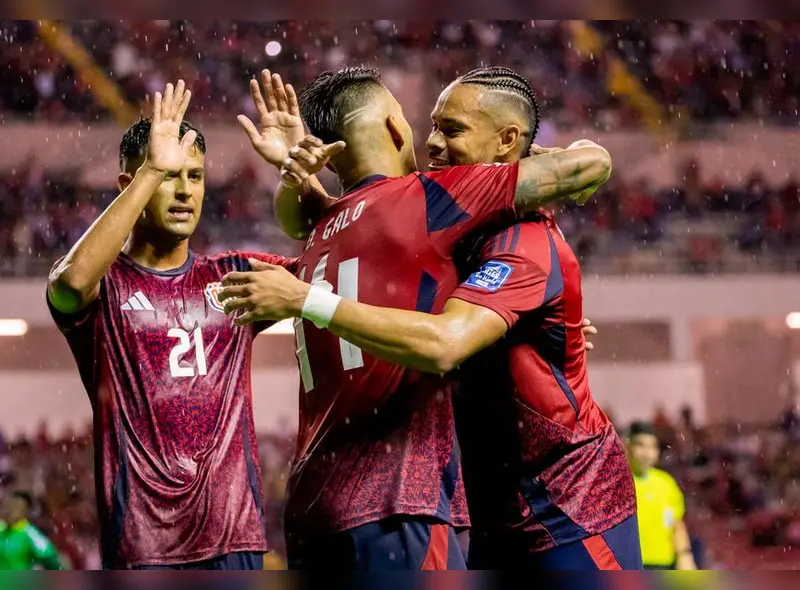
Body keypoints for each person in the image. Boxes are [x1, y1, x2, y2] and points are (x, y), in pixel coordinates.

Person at [222, 67, 637, 570]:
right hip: (468, 504)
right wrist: (295, 177)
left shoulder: (514, 234)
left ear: (507, 140)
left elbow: (592, 164)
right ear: (397, 129)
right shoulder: (427, 217)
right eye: (431, 126)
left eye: (452, 130)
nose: (434, 143)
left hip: (564, 505)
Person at [46, 80, 296, 569]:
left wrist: (297, 176)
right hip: (144, 544)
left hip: (234, 540)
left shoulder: (233, 276)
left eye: (195, 176)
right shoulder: (107, 287)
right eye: (169, 176)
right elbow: (69, 284)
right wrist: (149, 170)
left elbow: (333, 269)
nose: (184, 191)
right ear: (130, 186)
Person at [627, 422, 697, 570]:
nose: (647, 453)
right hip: (631, 565)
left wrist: (685, 555)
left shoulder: (666, 483)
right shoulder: (618, 484)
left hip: (665, 564)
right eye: (640, 445)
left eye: (652, 447)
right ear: (628, 446)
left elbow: (676, 524)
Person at [0, 491, 64, 570]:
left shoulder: (30, 533)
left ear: (25, 512)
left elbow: (50, 560)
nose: (11, 511)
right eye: (9, 506)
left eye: (17, 507)